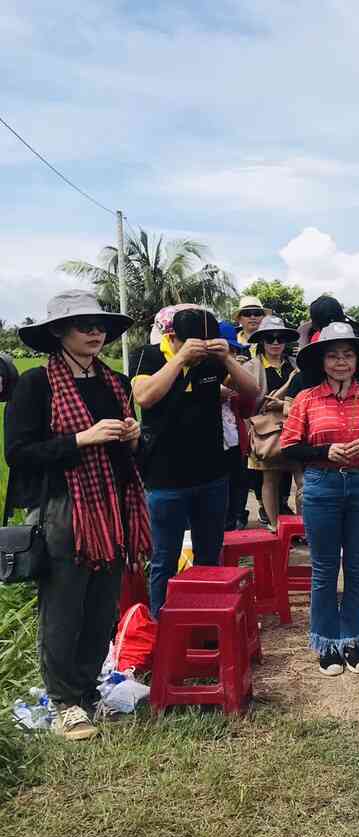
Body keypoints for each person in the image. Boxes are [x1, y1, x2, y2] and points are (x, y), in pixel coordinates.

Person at [4, 291, 151, 741]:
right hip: (65, 507)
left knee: (102, 604)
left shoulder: (115, 382)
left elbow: (132, 456)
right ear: (58, 333)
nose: (95, 333)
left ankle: (87, 690)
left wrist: (133, 438)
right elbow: (18, 453)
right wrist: (80, 439)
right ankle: (64, 700)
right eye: (83, 325)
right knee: (65, 604)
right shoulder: (37, 384)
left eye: (100, 325)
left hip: (113, 505)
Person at [282, 323, 359, 676]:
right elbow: (289, 446)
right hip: (322, 486)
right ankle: (327, 643)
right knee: (325, 569)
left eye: (348, 355)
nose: (341, 362)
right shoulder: (306, 399)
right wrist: (325, 451)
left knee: (358, 569)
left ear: (357, 360)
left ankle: (353, 641)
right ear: (322, 361)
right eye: (333, 356)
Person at [133, 304, 259, 615]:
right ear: (173, 337)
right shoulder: (148, 356)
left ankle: (206, 618)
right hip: (165, 478)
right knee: (164, 557)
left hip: (211, 475)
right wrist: (180, 360)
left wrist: (226, 358)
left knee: (209, 555)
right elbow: (144, 397)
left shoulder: (213, 361)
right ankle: (160, 622)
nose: (200, 350)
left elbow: (252, 391)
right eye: (194, 343)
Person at [244, 315, 299, 529]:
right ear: (261, 341)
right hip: (266, 432)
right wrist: (290, 382)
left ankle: (305, 527)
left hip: (295, 427)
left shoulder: (295, 364)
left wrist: (283, 403)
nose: (275, 343)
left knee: (302, 479)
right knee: (270, 479)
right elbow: (263, 402)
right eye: (270, 338)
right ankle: (275, 526)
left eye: (280, 338)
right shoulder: (251, 367)